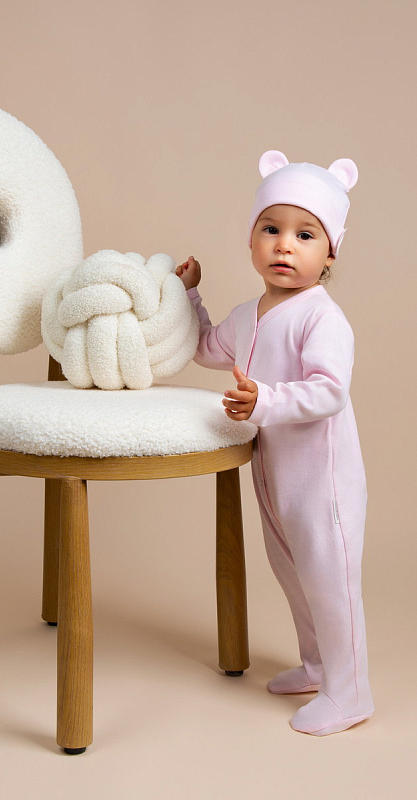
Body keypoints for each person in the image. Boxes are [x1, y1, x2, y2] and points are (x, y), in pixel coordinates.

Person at [177, 150, 374, 735]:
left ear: (330, 252)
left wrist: (264, 401)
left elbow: (329, 390)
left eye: (304, 234)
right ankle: (317, 668)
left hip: (323, 484)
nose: (285, 245)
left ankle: (351, 693)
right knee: (294, 575)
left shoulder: (321, 318)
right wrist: (189, 295)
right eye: (271, 229)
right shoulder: (248, 315)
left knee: (329, 582)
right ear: (251, 240)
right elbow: (205, 347)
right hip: (274, 478)